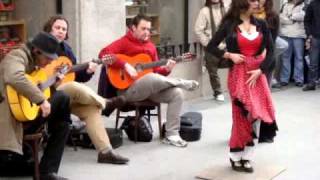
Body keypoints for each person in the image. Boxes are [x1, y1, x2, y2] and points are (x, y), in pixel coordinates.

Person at [98, 14, 199, 147]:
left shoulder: (151, 47)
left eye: (148, 29)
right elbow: (103, 54)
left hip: (147, 88)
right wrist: (125, 65)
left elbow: (156, 72)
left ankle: (172, 134)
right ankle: (181, 81)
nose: (147, 32)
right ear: (133, 28)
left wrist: (167, 69)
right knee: (151, 78)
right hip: (126, 91)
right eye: (143, 28)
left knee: (177, 93)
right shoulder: (124, 42)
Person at [43, 15, 129, 164]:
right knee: (74, 87)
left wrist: (89, 71)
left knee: (91, 109)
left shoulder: (67, 50)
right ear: (49, 29)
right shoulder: (40, 48)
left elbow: (78, 76)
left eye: (64, 29)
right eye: (57, 28)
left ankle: (105, 152)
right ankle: (105, 102)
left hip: (65, 98)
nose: (61, 31)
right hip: (45, 97)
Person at [206, 0, 276, 172]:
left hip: (257, 75)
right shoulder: (229, 24)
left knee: (257, 115)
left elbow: (272, 51)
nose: (257, 3)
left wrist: (260, 70)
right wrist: (229, 55)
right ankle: (235, 156)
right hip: (238, 75)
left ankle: (248, 157)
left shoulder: (261, 24)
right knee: (241, 115)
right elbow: (211, 46)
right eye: (253, 0)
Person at [0, 32, 70, 180]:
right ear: (36, 51)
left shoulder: (35, 64)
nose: (50, 62)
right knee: (63, 99)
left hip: (24, 114)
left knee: (64, 122)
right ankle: (45, 171)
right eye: (48, 58)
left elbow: (35, 86)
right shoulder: (16, 56)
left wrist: (53, 85)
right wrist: (41, 100)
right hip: (14, 120)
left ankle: (47, 171)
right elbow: (14, 76)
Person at [253, 0, 280, 143]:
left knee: (264, 97)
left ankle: (266, 133)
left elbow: (272, 42)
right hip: (247, 63)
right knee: (246, 100)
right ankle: (244, 133)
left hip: (265, 63)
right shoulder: (243, 15)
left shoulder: (272, 16)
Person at [194, 0, 231, 102]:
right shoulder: (204, 11)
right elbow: (198, 30)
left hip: (227, 45)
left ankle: (236, 87)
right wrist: (208, 44)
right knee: (213, 72)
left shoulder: (227, 9)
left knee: (235, 64)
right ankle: (218, 92)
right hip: (212, 46)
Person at [278, 0, 306, 87]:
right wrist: (292, 19)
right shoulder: (285, 4)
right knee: (285, 57)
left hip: (298, 35)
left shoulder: (304, 4)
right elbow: (281, 18)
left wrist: (289, 17)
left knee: (299, 57)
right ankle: (284, 79)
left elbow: (302, 16)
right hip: (285, 34)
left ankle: (299, 79)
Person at [303, 0, 320, 91]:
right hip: (315, 37)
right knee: (313, 62)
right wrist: (309, 34)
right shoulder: (313, 4)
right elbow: (307, 20)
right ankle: (312, 83)